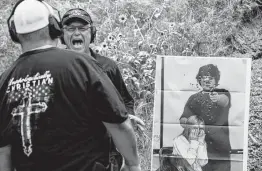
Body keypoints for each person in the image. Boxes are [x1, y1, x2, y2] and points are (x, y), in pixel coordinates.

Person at [0, 1, 141, 171]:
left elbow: (3, 151)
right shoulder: (81, 65)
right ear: (54, 27)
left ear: (15, 33)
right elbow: (118, 124)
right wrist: (133, 163)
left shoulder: (5, 81)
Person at [60, 8, 144, 171]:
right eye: (70, 29)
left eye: (82, 28)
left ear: (92, 33)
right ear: (62, 36)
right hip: (69, 152)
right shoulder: (56, 69)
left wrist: (127, 117)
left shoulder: (107, 66)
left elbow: (125, 100)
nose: (76, 33)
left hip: (106, 151)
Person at [180, 64, 232, 171]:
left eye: (211, 78)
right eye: (204, 78)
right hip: (200, 149)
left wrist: (217, 98)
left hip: (221, 149)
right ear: (199, 80)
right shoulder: (193, 98)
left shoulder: (223, 92)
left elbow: (225, 101)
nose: (207, 81)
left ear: (216, 80)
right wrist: (189, 122)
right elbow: (182, 120)